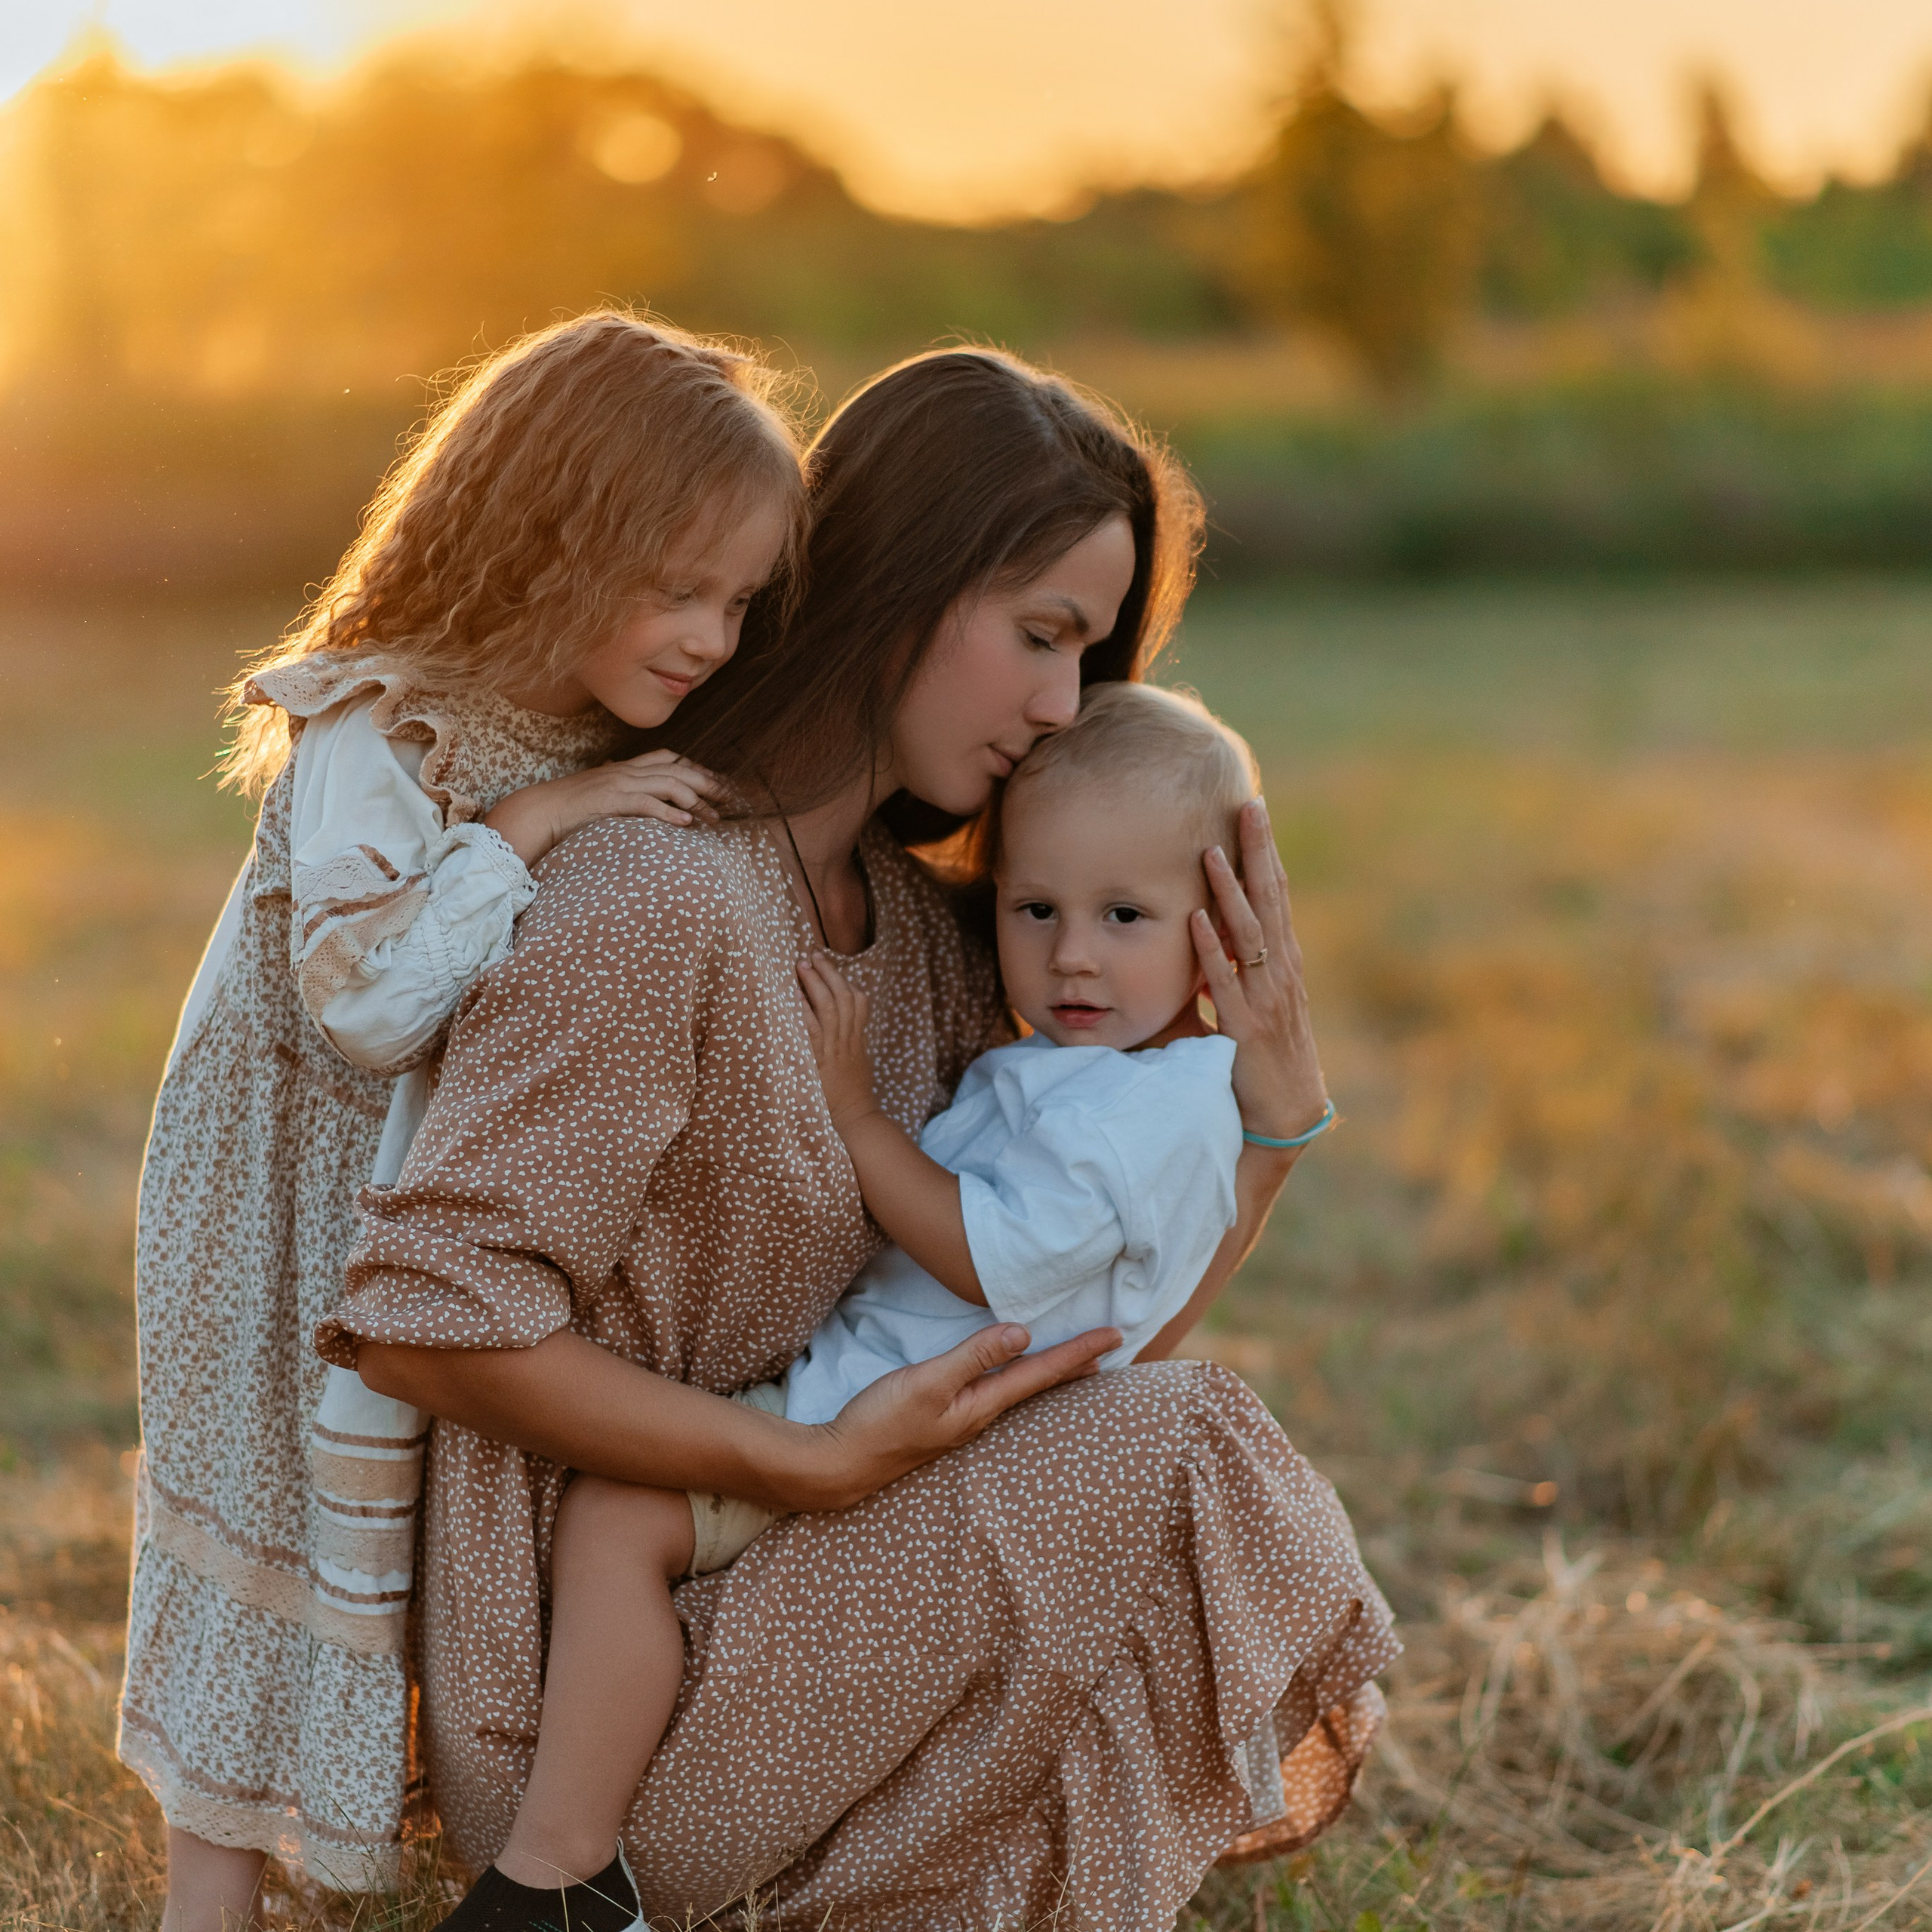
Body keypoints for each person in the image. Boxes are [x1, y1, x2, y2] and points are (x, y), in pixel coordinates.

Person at [328, 348, 1399, 1930]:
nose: (1059, 706)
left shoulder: (935, 944)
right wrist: (806, 1460)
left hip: (805, 1592)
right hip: (598, 1715)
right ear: (901, 579)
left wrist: (1267, 1125)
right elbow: (421, 1323)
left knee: (1159, 1426)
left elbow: (1076, 1338)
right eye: (1039, 635)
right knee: (1188, 1443)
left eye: (1086, 660)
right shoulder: (656, 900)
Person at [118, 311, 804, 1932]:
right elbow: (363, 990)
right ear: (544, 534)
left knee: (390, 1528)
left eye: (737, 598)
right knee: (259, 1529)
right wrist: (532, 824)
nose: (709, 633)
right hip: (272, 1205)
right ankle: (204, 1900)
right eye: (677, 585)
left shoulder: (588, 727)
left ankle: (366, 1835)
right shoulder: (389, 724)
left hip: (388, 1205)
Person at [432, 679, 1306, 1932]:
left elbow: (990, 1257)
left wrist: (854, 1113)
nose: (1071, 953)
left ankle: (559, 1875)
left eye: (1125, 915)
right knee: (626, 1525)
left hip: (902, 1438)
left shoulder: (1138, 1112)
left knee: (621, 1519)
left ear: (1218, 929)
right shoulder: (1097, 1078)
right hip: (881, 1411)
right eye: (1035, 907)